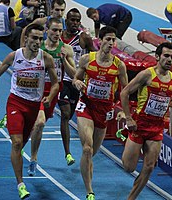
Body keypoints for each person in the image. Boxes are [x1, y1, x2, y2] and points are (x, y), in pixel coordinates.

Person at [0, 23, 59, 199]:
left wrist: (50, 97)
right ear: (26, 38)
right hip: (16, 103)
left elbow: (56, 83)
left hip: (33, 106)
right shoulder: (15, 56)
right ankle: (21, 184)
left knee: (22, 144)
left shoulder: (46, 59)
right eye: (34, 38)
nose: (37, 41)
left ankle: (21, 162)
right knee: (17, 143)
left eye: (40, 39)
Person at [118, 42, 172, 199]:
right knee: (129, 167)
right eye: (166, 56)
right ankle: (126, 136)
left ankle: (131, 198)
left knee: (149, 166)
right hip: (139, 125)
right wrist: (128, 118)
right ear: (157, 57)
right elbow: (124, 93)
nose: (169, 59)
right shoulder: (146, 75)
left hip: (156, 128)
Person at [72, 26, 128, 200]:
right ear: (100, 40)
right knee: (87, 148)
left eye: (114, 40)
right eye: (108, 39)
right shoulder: (87, 59)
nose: (111, 43)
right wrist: (77, 83)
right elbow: (76, 78)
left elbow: (125, 91)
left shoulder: (119, 66)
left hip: (105, 111)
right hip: (86, 106)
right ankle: (90, 191)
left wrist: (123, 111)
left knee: (91, 153)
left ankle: (87, 177)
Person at [27, 18, 76, 176]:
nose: (57, 33)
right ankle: (33, 158)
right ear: (46, 30)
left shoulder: (66, 49)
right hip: (39, 90)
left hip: (55, 90)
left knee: (41, 123)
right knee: (40, 123)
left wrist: (63, 60)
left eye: (60, 31)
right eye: (54, 30)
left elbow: (73, 74)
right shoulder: (38, 46)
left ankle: (22, 145)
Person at [59, 8, 96, 166]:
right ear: (66, 20)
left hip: (77, 81)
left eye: (77, 20)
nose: (75, 23)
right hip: (62, 81)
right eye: (72, 20)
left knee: (71, 114)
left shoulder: (84, 38)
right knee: (65, 114)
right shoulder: (58, 36)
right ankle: (67, 153)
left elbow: (95, 56)